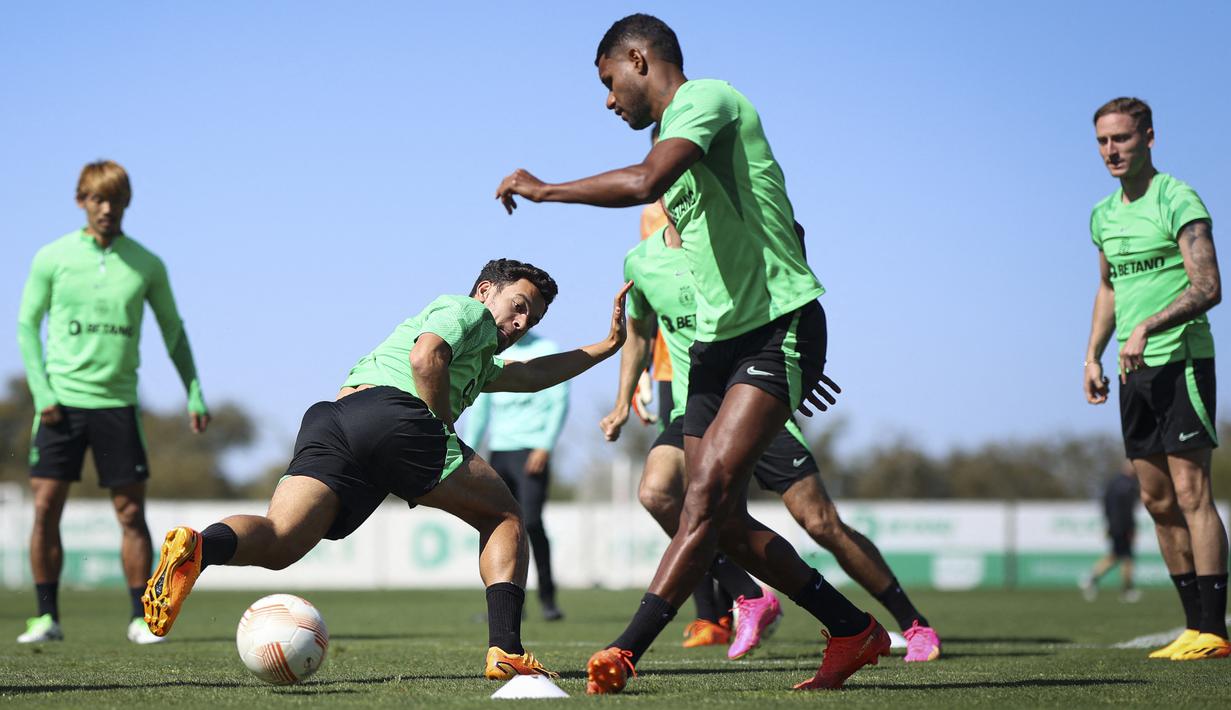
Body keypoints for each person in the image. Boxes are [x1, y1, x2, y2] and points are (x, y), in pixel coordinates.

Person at [496, 14, 886, 692]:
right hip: (714, 347)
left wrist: (546, 188)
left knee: (702, 494)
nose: (608, 99)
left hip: (774, 329)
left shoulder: (707, 99)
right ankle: (852, 629)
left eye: (609, 82)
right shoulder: (684, 158)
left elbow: (647, 181)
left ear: (639, 59)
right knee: (719, 521)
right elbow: (781, 219)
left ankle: (624, 650)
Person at [141, 259, 631, 680]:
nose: (523, 321)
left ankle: (199, 547)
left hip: (335, 418)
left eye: (534, 316)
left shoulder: (479, 360)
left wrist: (608, 347)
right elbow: (426, 357)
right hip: (396, 417)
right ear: (486, 291)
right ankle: (506, 650)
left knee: (281, 540)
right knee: (504, 516)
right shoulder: (467, 311)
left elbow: (532, 374)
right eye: (519, 305)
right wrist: (438, 424)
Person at [602, 214, 941, 662]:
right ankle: (748, 594)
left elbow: (791, 257)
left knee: (821, 523)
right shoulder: (640, 261)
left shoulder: (734, 231)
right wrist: (623, 399)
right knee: (658, 492)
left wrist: (798, 358)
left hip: (754, 398)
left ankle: (913, 623)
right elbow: (640, 335)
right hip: (696, 406)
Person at [16, 160, 210, 645]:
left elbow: (174, 331)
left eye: (115, 200)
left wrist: (193, 388)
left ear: (127, 203)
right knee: (45, 509)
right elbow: (25, 326)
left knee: (129, 513)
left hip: (118, 405)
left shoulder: (146, 263)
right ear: (81, 201)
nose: (107, 208)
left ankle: (140, 618)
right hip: (59, 403)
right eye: (97, 199)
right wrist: (42, 393)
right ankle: (46, 618)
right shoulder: (53, 257)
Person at [1083, 97, 1228, 661]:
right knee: (1156, 499)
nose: (1111, 151)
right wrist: (1092, 354)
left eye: (1122, 138)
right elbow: (1109, 289)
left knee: (1194, 493)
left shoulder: (1178, 199)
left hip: (1183, 361)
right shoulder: (1102, 214)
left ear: (1148, 137)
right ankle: (1193, 627)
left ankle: (1214, 629)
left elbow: (1209, 285)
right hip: (1130, 370)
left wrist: (1149, 324)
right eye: (1102, 141)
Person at [465, 330, 570, 621]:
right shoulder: (494, 352)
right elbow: (481, 408)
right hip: (500, 452)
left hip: (531, 451)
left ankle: (548, 599)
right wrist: (468, 448)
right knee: (500, 525)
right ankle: (508, 605)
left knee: (532, 523)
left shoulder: (547, 347)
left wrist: (545, 445)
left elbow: (559, 402)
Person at [1080, 461, 1141, 602]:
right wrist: (1130, 528)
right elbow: (1126, 510)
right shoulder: (1127, 485)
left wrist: (1109, 524)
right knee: (1127, 557)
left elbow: (1106, 505)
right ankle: (1127, 590)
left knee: (1116, 556)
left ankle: (1092, 578)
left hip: (1115, 525)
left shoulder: (1113, 483)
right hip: (1122, 526)